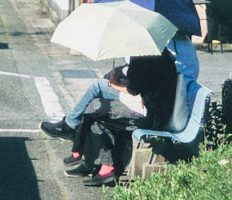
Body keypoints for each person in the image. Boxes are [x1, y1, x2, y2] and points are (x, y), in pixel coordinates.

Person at [45, 44, 190, 182]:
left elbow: (134, 89)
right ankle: (93, 162)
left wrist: (114, 84)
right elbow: (143, 85)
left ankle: (86, 155)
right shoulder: (160, 53)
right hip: (152, 109)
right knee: (95, 112)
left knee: (95, 108)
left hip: (148, 117)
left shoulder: (142, 55)